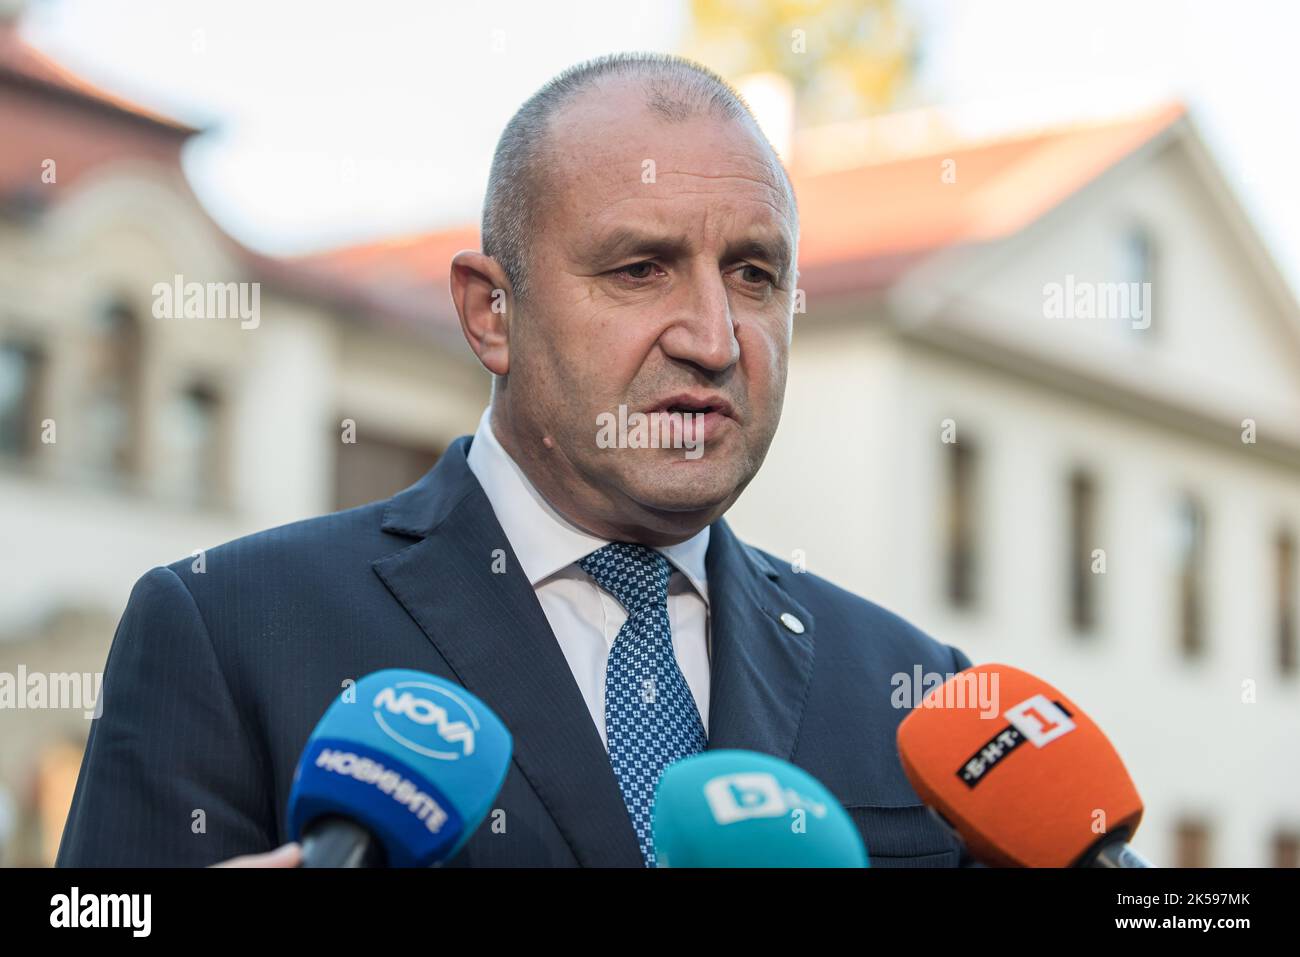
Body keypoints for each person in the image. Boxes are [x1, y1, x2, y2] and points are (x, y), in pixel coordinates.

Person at [57, 52, 974, 868]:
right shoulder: (232, 630)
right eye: (639, 269)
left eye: (754, 274)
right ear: (491, 313)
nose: (715, 338)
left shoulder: (924, 696)